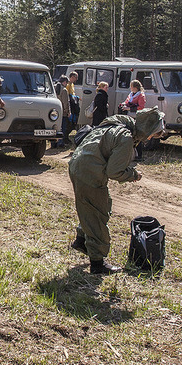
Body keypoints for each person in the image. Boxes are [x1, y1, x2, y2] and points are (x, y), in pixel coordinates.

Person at [68, 107, 165, 274]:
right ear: (147, 130)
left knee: (100, 206)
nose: (151, 138)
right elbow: (114, 171)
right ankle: (97, 263)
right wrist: (134, 174)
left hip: (79, 165)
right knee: (97, 214)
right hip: (89, 173)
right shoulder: (126, 138)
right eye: (153, 134)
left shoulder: (118, 124)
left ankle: (82, 240)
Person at [119, 80, 148, 160]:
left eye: (131, 86)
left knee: (136, 136)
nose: (130, 88)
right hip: (129, 116)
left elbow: (141, 107)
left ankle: (139, 155)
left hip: (135, 117)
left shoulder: (141, 95)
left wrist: (129, 108)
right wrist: (123, 104)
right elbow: (127, 101)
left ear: (135, 87)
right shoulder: (131, 94)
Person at [53, 76, 71, 148]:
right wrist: (67, 111)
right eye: (66, 83)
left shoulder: (53, 88)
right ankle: (60, 143)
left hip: (54, 112)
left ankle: (53, 144)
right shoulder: (64, 90)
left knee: (55, 128)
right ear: (64, 82)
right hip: (62, 112)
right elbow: (66, 102)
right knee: (62, 128)